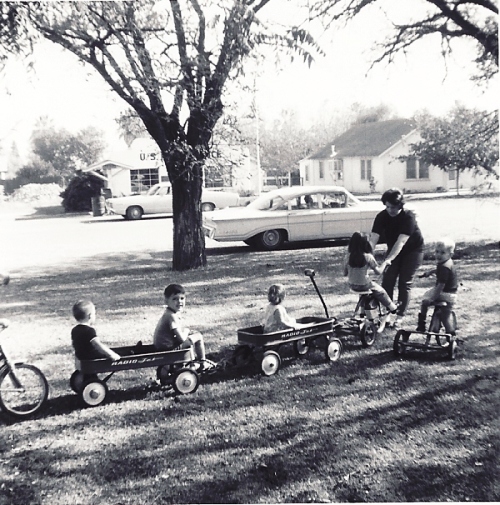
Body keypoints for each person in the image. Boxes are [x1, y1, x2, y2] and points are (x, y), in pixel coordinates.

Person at [370, 188, 424, 328]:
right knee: (387, 280)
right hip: (394, 248)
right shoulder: (381, 216)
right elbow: (373, 238)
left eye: (393, 207)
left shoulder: (408, 217)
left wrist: (389, 259)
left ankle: (399, 316)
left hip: (413, 250)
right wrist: (367, 255)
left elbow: (401, 242)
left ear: (400, 205)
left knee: (404, 283)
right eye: (387, 206)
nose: (390, 210)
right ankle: (388, 312)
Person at [153, 284, 215, 371]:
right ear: (166, 301)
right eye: (175, 299)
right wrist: (186, 331)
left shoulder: (169, 313)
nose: (179, 302)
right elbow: (181, 339)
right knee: (198, 336)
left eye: (182, 298)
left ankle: (192, 364)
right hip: (168, 349)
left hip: (164, 346)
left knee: (190, 340)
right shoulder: (171, 316)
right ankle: (202, 363)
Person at [343, 232, 398, 317]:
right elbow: (378, 271)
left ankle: (362, 312)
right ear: (366, 243)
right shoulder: (367, 257)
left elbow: (345, 273)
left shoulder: (348, 256)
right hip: (365, 285)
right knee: (381, 292)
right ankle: (392, 307)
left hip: (352, 285)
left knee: (363, 293)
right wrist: (385, 263)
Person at [417, 238, 458, 336]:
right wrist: (430, 272)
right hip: (451, 293)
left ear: (450, 254)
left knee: (425, 301)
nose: (438, 255)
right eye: (437, 251)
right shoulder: (447, 262)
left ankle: (421, 324)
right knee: (445, 316)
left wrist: (432, 298)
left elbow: (440, 286)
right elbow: (438, 270)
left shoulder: (444, 267)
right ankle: (451, 335)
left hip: (445, 293)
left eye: (442, 252)